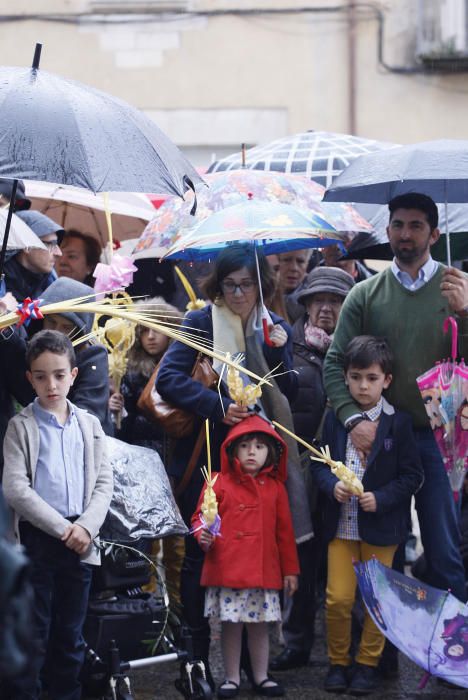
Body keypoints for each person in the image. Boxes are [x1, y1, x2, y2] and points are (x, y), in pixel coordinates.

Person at [156, 243, 310, 682]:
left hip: (258, 461)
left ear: (263, 284)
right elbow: (168, 380)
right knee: (200, 553)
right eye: (230, 285)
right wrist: (216, 404)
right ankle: (197, 659)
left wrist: (279, 351)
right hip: (210, 456)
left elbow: (289, 392)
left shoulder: (273, 324)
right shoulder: (201, 321)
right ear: (218, 286)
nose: (239, 294)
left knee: (252, 549)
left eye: (247, 284)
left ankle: (249, 668)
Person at [324, 192, 468, 604]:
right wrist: (355, 420)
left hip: (437, 441)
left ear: (435, 234)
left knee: (443, 550)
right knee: (380, 549)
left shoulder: (458, 290)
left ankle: (452, 653)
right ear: (387, 231)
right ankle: (380, 660)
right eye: (398, 225)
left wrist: (466, 314)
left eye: (416, 225)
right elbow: (335, 364)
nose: (406, 234)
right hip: (379, 438)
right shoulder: (364, 294)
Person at [1, 330, 113, 700]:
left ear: (74, 375)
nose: (51, 384)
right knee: (35, 635)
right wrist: (65, 528)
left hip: (80, 542)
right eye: (41, 376)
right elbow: (16, 488)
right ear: (29, 378)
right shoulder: (21, 427)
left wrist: (84, 527)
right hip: (39, 542)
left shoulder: (89, 425)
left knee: (70, 636)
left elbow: (103, 484)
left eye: (59, 375)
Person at [313, 336, 423, 695]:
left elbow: (412, 476)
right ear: (344, 377)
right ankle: (338, 662)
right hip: (341, 528)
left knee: (378, 600)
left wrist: (383, 497)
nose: (363, 385)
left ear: (386, 381)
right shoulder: (335, 418)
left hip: (381, 528)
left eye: (371, 378)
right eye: (356, 376)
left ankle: (367, 664)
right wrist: (332, 485)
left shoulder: (398, 423)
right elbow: (319, 464)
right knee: (338, 599)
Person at [271, 266, 355, 673]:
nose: (326, 309)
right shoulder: (286, 347)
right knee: (301, 555)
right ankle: (297, 642)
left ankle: (355, 646)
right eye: (318, 300)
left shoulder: (358, 349)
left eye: (335, 301)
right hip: (300, 467)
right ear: (304, 304)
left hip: (347, 469)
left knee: (347, 553)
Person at [192, 415, 299, 698]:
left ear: (271, 453)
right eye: (246, 446)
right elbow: (201, 517)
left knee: (259, 627)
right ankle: (231, 677)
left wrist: (290, 570)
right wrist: (202, 534)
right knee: (231, 626)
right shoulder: (218, 482)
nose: (252, 452)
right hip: (228, 569)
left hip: (263, 572)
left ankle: (261, 676)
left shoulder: (275, 488)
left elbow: (284, 533)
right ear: (233, 450)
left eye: (260, 447)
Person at [27, 277, 114, 435]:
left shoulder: (93, 357)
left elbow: (89, 414)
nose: (57, 332)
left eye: (66, 327)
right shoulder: (32, 350)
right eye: (51, 322)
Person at [109, 297, 183, 456]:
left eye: (157, 328)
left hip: (178, 452)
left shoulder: (183, 369)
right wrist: (117, 411)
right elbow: (125, 426)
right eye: (144, 330)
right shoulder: (130, 372)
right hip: (141, 452)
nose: (150, 336)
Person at [4, 211, 63, 302]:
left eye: (57, 244)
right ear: (28, 246)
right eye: (51, 244)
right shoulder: (2, 282)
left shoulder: (51, 282)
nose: (59, 253)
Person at [278, 249, 316, 323]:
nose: (294, 268)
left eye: (300, 261)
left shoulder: (314, 298)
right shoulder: (262, 297)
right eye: (287, 260)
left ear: (307, 264)